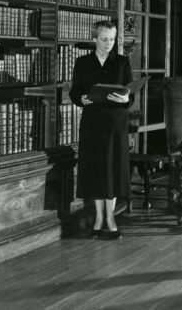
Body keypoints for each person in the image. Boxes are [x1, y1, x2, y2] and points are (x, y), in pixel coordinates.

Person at [69, 20, 134, 239]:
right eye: (104, 39)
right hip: (92, 124)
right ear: (94, 39)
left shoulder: (123, 62)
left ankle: (110, 218)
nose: (109, 44)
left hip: (116, 125)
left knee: (113, 171)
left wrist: (126, 97)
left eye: (112, 39)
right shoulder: (82, 63)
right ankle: (98, 218)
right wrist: (82, 99)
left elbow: (130, 94)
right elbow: (75, 92)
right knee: (96, 172)